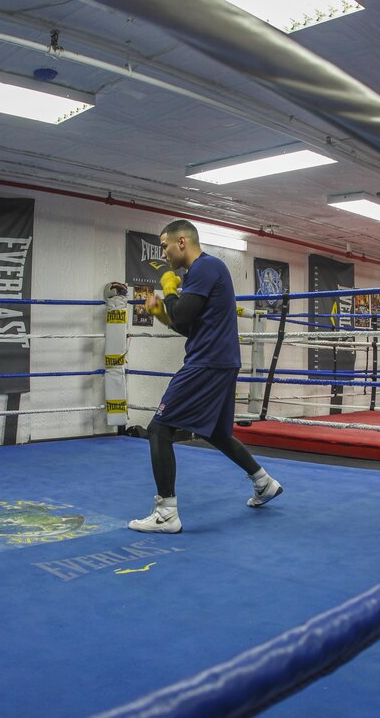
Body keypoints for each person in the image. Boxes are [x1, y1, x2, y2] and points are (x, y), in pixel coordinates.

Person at [128, 219, 282, 534]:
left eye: (165, 244)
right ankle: (263, 482)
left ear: (182, 241)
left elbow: (183, 314)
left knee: (160, 428)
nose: (163, 253)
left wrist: (169, 289)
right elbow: (186, 325)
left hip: (208, 361)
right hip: (220, 360)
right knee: (216, 433)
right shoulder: (203, 272)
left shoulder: (205, 268)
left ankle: (166, 513)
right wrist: (162, 312)